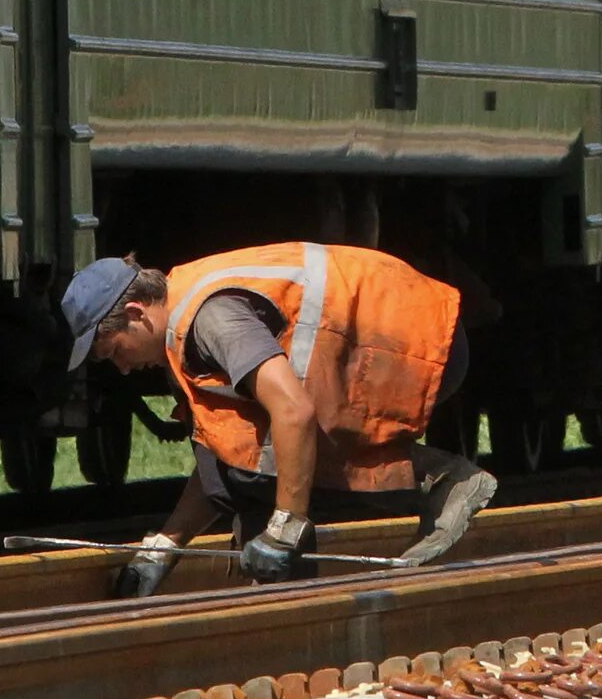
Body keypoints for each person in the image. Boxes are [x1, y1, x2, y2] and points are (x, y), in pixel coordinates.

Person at [61, 244, 497, 597]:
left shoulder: (210, 321)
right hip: (390, 342)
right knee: (244, 457)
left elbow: (294, 410)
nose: (121, 368)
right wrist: (163, 549)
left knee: (278, 457)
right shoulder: (181, 326)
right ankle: (279, 589)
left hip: (416, 345)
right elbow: (223, 459)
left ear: (136, 314)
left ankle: (441, 482)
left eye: (115, 351)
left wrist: (286, 528)